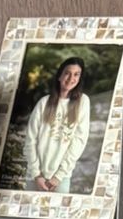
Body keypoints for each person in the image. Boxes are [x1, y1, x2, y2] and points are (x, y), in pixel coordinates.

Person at [23, 57, 90, 193]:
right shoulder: (44, 103)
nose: (71, 78)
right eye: (67, 73)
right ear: (60, 76)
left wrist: (58, 176)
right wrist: (36, 175)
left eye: (76, 74)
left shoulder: (82, 102)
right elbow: (30, 140)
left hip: (61, 179)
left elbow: (79, 141)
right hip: (35, 177)